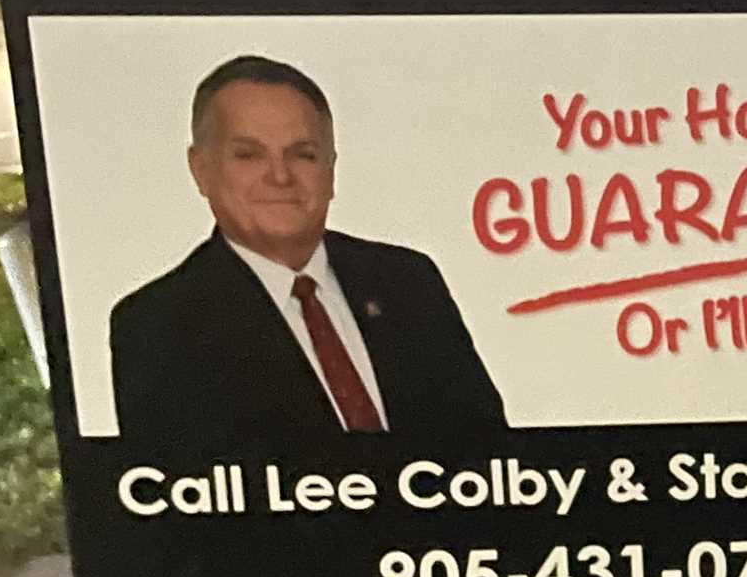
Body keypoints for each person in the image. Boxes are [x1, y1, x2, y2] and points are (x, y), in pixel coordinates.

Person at [108, 54, 508, 446]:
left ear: (330, 169)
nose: (281, 176)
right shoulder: (158, 325)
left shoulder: (408, 282)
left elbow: (494, 459)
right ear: (201, 169)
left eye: (303, 154)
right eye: (249, 155)